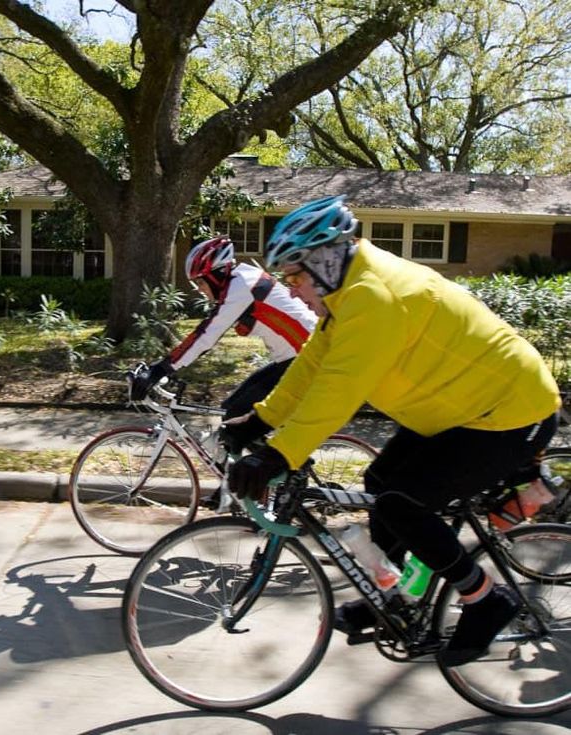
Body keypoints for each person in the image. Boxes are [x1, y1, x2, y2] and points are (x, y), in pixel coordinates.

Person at [226, 195, 560, 667]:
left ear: (324, 261)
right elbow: (312, 368)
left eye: (295, 277)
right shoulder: (349, 292)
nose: (293, 291)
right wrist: (258, 421)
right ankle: (397, 593)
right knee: (380, 482)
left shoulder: (374, 296)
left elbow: (340, 389)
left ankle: (486, 601)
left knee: (403, 502)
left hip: (511, 413)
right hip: (462, 410)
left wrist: (279, 454)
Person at [130, 235, 317, 459]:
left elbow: (206, 335)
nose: (199, 289)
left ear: (216, 276)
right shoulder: (241, 280)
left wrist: (160, 369)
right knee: (230, 410)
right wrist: (163, 367)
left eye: (200, 282)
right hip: (292, 357)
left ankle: (286, 465)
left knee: (238, 416)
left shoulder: (241, 286)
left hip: (306, 357)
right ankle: (249, 474)